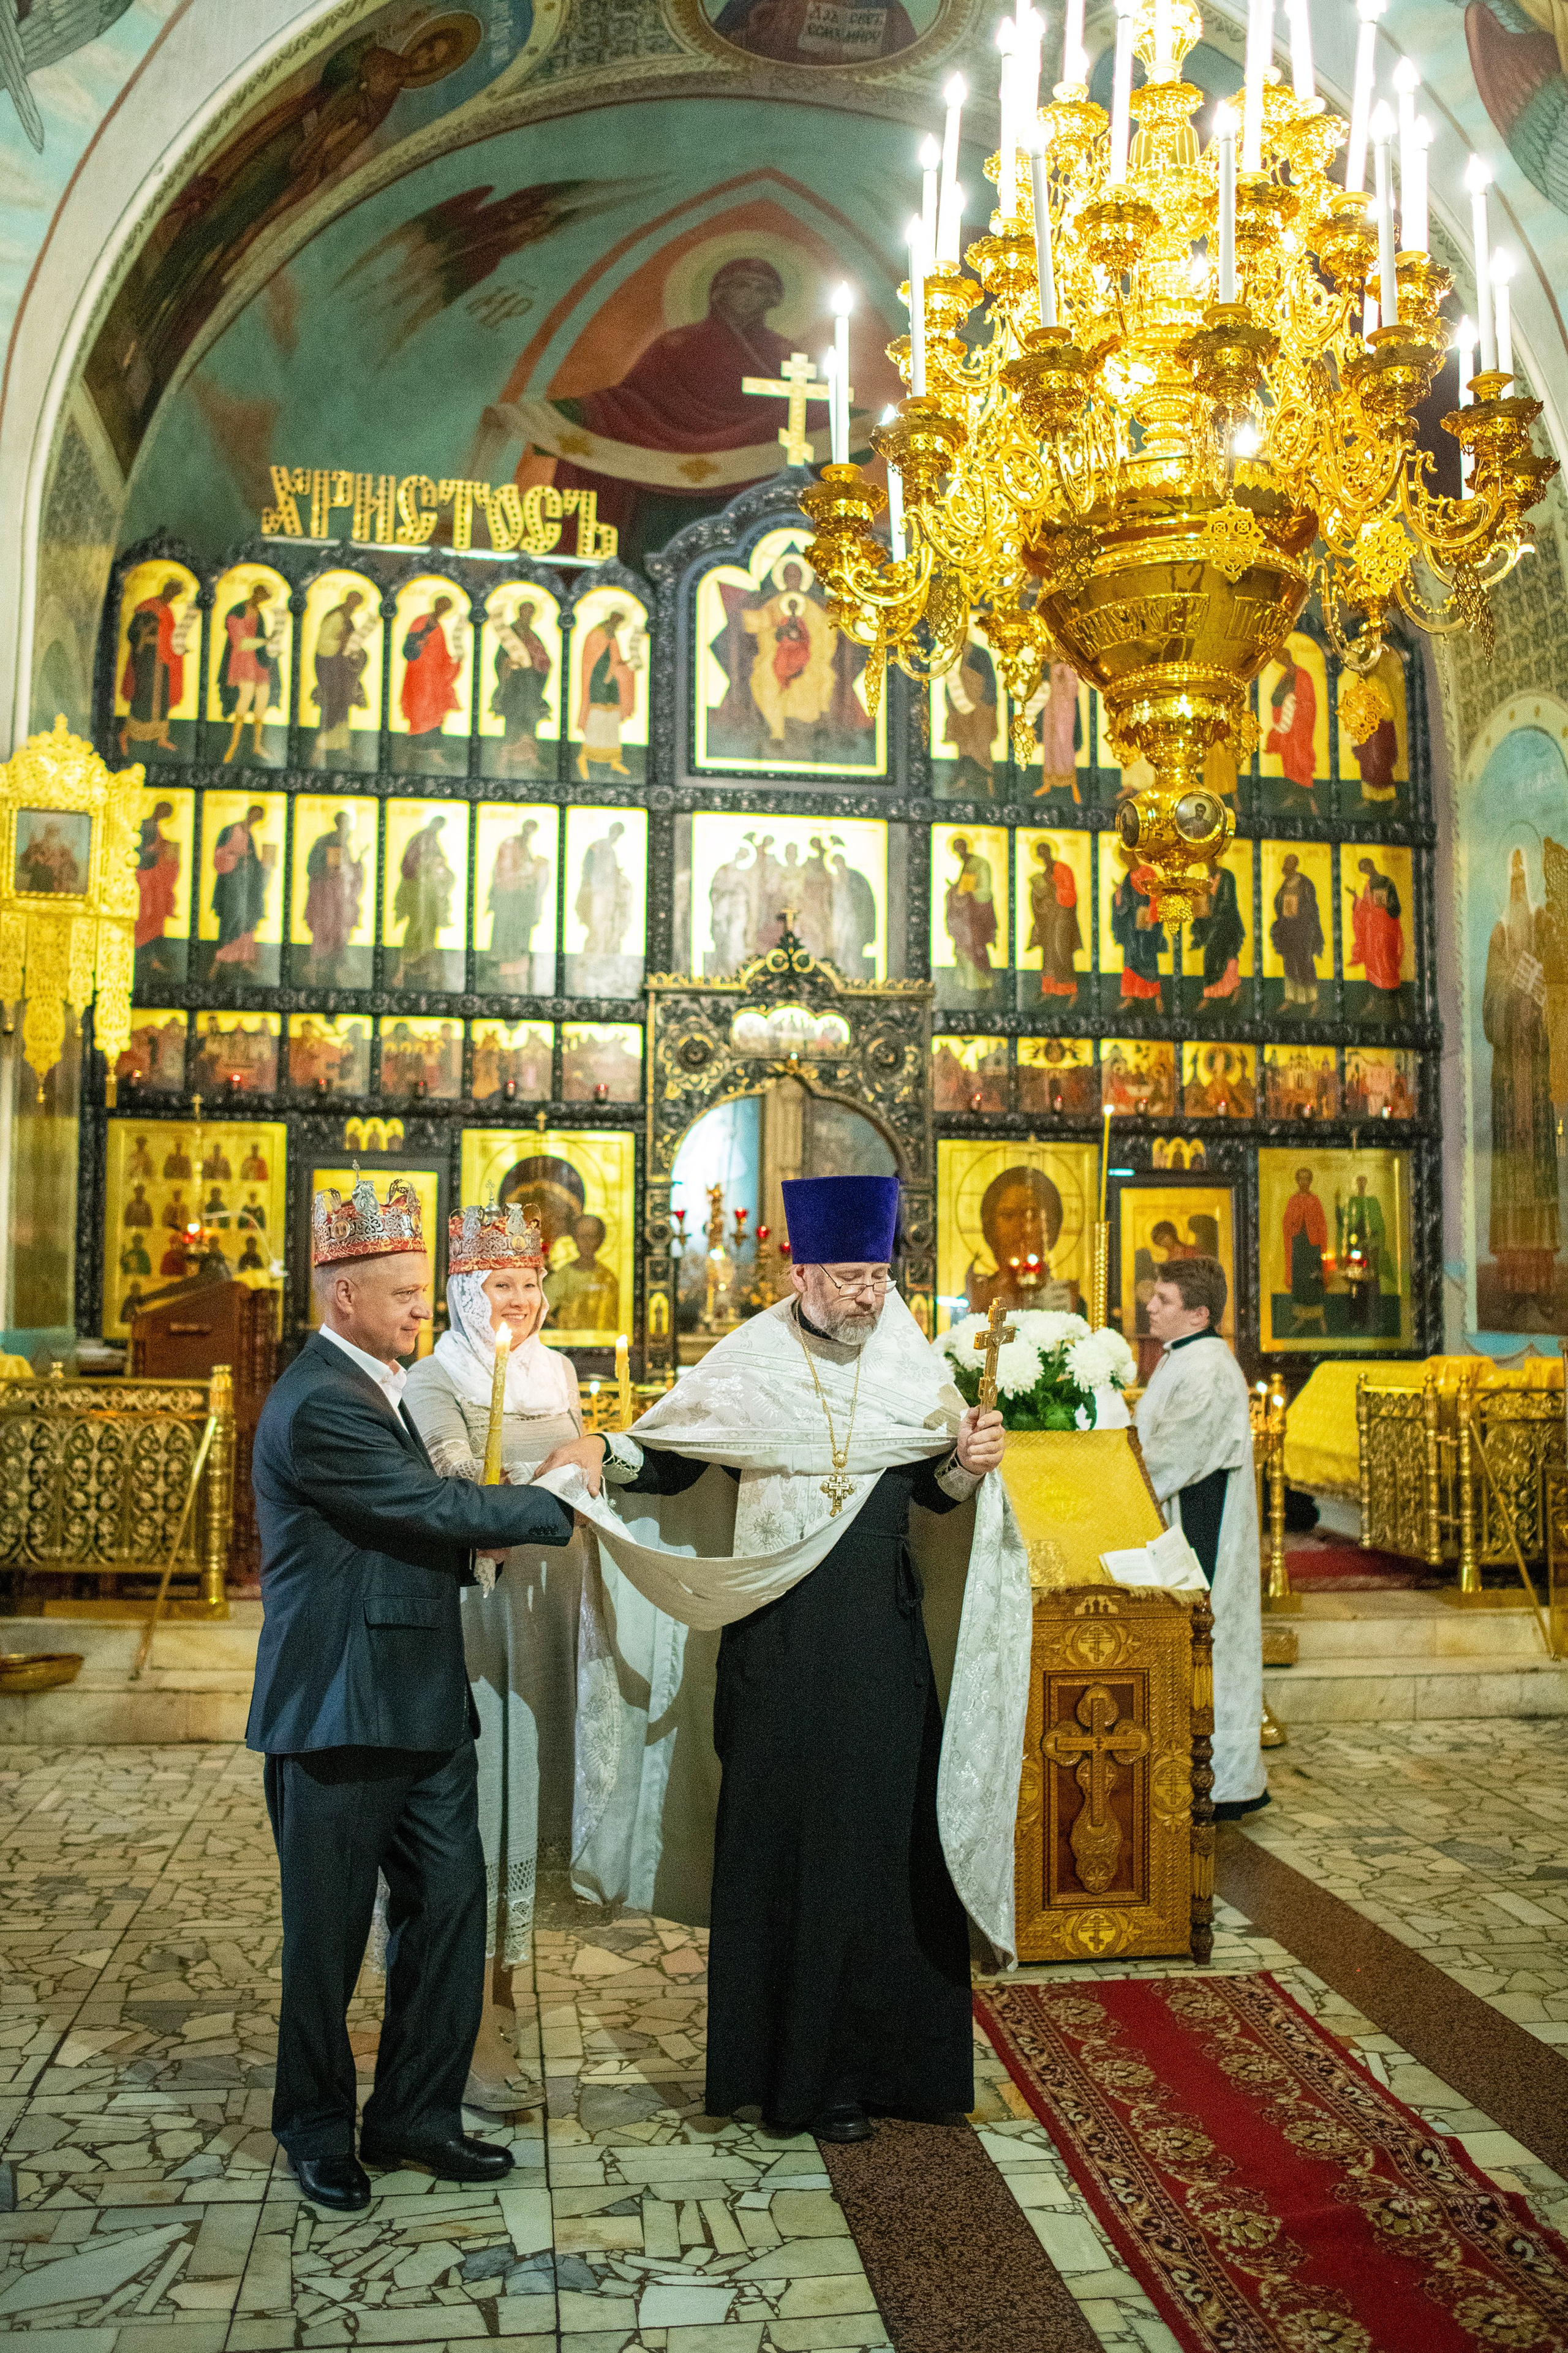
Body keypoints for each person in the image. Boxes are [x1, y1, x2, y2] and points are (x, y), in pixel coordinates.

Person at [534, 1173, 1024, 2142]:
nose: (870, 1296)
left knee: (881, 1854)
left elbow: (928, 1496)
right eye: (849, 1277)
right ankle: (787, 2073)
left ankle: (884, 2070)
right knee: (783, 1852)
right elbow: (675, 1454)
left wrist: (964, 1466)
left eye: (880, 1275)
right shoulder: (750, 1359)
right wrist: (602, 1451)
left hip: (883, 1648)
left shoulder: (906, 1358)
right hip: (777, 1646)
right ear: (802, 1273)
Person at [246, 1176, 577, 2214]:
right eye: (400, 1294)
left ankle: (414, 2116)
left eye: (420, 1293)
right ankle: (315, 2127)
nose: (419, 1312)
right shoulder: (318, 1404)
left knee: (450, 1909)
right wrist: (560, 1490)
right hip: (341, 1707)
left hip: (425, 1701)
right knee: (329, 1936)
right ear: (340, 1294)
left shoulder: (376, 1384)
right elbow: (427, 1504)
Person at [403, 1204, 598, 2109]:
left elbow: (583, 1468)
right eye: (500, 1286)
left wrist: (587, 1460)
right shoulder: (433, 1378)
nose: (518, 1300)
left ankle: (507, 1997)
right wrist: (531, 1493)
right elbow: (452, 1482)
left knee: (530, 1798)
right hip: (477, 1619)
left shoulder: (556, 1371)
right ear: (463, 1295)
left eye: (529, 1283)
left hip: (548, 1619)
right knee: (479, 1806)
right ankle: (469, 2024)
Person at [1135, 1258, 1265, 1819]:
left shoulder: (1209, 1368)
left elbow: (1172, 1457)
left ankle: (1216, 1778)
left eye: (1164, 1299)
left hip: (1198, 1530)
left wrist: (1119, 1474)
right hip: (1181, 1520)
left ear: (1199, 1313)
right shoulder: (1183, 1357)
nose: (1151, 1306)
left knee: (1204, 1644)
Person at [1482, 846, 1559, 1323]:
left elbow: (1559, 991)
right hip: (1510, 1084)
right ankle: (1514, 1286)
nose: (1517, 888)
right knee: (1512, 1183)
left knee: (1539, 1181)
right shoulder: (1499, 935)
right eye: (1511, 882)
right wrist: (1512, 997)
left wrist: (1541, 999)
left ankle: (1543, 1285)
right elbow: (1490, 1010)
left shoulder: (1545, 928)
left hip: (1538, 1083)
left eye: (1522, 880)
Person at [118, 577, 189, 755]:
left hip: (163, 663)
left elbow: (170, 636)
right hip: (146, 662)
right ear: (166, 589)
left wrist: (177, 645)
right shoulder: (146, 608)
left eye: (176, 594)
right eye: (172, 592)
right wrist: (145, 636)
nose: (173, 597)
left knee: (162, 696)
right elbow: (132, 634)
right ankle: (126, 735)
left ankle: (161, 738)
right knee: (143, 694)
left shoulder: (167, 611)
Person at [303, 810, 365, 984]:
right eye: (345, 822)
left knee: (340, 928)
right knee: (324, 926)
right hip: (326, 894)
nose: (347, 827)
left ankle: (337, 968)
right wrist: (329, 870)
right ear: (339, 823)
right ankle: (314, 966)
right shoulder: (325, 841)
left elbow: (346, 869)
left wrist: (358, 864)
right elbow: (313, 867)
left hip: (341, 895)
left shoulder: (344, 843)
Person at [211, 803, 274, 972]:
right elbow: (218, 854)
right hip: (232, 884)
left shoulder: (250, 835)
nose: (255, 819)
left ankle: (244, 959)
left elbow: (253, 861)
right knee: (232, 917)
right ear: (249, 813)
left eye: (259, 817)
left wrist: (266, 866)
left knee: (247, 918)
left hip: (248, 885)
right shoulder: (230, 830)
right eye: (255, 815)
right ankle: (219, 960)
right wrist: (238, 857)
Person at [491, 599, 552, 773]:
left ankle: (532, 760)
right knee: (514, 722)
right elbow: (500, 659)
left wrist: (540, 665)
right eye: (526, 612)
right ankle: (502, 763)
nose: (529, 616)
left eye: (531, 613)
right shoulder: (510, 634)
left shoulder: (533, 636)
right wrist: (507, 663)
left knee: (530, 721)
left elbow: (544, 659)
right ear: (520, 613)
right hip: (515, 687)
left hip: (532, 686)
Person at [219, 581, 277, 763]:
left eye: (265, 598)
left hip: (258, 659)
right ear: (255, 593)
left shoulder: (259, 613)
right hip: (242, 659)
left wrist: (269, 644)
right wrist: (266, 641)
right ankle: (233, 745)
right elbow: (241, 643)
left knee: (263, 698)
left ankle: (257, 745)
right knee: (246, 697)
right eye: (261, 595)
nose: (262, 600)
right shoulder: (236, 612)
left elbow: (260, 637)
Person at [488, 817, 551, 986]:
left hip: (520, 897)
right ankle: (508, 965)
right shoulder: (511, 844)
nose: (530, 833)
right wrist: (532, 869)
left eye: (533, 830)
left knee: (518, 933)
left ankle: (516, 964)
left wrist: (536, 868)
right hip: (508, 896)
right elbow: (506, 871)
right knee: (507, 934)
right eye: (529, 829)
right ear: (524, 828)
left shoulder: (524, 846)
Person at [393, 814, 454, 986]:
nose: (438, 828)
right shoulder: (421, 838)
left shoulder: (432, 840)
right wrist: (431, 864)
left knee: (428, 929)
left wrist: (440, 867)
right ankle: (402, 970)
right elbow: (410, 864)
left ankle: (426, 967)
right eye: (437, 825)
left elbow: (440, 866)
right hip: (418, 893)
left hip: (430, 895)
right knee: (416, 927)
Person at [576, 610, 636, 778]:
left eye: (619, 623)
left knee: (612, 718)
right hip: (597, 681)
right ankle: (584, 756)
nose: (616, 625)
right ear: (610, 619)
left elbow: (615, 659)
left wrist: (625, 665)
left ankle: (614, 759)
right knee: (596, 716)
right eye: (615, 621)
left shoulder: (613, 638)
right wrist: (608, 673)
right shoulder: (596, 634)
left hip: (611, 683)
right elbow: (592, 660)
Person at [311, 589, 371, 758]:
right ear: (347, 600)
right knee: (332, 702)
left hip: (342, 669)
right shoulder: (335, 617)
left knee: (344, 704)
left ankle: (342, 746)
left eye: (358, 603)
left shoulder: (347, 619)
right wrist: (341, 640)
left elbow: (349, 642)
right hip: (330, 667)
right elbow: (323, 643)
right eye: (353, 601)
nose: (355, 605)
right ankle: (318, 750)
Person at [400, 595, 464, 744]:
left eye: (447, 608)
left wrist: (453, 661)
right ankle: (417, 742)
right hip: (419, 673)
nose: (443, 609)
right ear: (436, 604)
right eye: (442, 605)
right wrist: (421, 640)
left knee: (436, 707)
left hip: (435, 675)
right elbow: (409, 648)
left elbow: (442, 653)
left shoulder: (440, 627)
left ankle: (433, 746)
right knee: (420, 705)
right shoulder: (421, 621)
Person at [1348, 856, 1406, 1017]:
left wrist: (1387, 904)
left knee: (1389, 965)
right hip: (1372, 932)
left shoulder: (1388, 883)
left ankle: (1399, 1002)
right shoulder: (1367, 886)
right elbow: (1365, 908)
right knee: (1373, 965)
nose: (1366, 871)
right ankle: (1373, 1001)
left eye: (1366, 867)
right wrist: (1356, 900)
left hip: (1387, 930)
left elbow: (1397, 908)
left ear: (1372, 865)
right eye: (1362, 869)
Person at [1027, 839, 1081, 1000]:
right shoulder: (1042, 875)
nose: (1043, 857)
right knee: (1049, 953)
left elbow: (1071, 896)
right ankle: (1048, 990)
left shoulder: (1063, 869)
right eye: (1040, 854)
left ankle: (1071, 990)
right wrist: (1039, 898)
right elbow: (1037, 899)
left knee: (1061, 950)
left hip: (1063, 918)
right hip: (1048, 919)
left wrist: (1055, 887)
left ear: (1050, 852)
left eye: (1045, 852)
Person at [543, 1212, 619, 1329]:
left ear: (601, 1240)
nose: (587, 1242)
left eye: (593, 1236)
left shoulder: (608, 1278)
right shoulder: (563, 1275)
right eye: (582, 1236)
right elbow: (544, 1307)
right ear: (574, 1239)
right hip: (568, 1339)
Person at [1270, 853, 1324, 1014]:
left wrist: (1298, 911)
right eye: (1285, 862)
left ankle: (1314, 1001)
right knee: (1289, 963)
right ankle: (1291, 998)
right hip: (1288, 928)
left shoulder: (1305, 883)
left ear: (1295, 865)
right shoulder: (1286, 883)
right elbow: (1278, 902)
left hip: (1303, 929)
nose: (1286, 866)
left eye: (1289, 863)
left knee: (1305, 963)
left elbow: (1312, 907)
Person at [944, 835, 997, 997]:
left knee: (976, 946)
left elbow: (983, 890)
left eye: (961, 848)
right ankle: (966, 984)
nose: (959, 852)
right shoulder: (967, 865)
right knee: (964, 947)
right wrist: (955, 889)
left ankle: (982, 985)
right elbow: (963, 889)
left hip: (977, 914)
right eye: (956, 849)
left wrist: (963, 890)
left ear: (966, 847)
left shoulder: (978, 863)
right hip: (965, 916)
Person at [1263, 649, 1316, 805]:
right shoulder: (1285, 675)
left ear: (1288, 657)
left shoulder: (1302, 675)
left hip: (1299, 729)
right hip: (1286, 729)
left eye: (1280, 658)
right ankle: (1294, 797)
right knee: (1289, 761)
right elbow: (1277, 698)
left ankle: (1310, 800)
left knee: (1301, 759)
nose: (1279, 661)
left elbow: (1307, 703)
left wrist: (1291, 707)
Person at [1109, 864, 1166, 1007]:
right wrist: (1118, 896)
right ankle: (1130, 997)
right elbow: (1124, 905)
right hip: (1131, 929)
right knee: (1130, 961)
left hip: (1146, 926)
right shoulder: (1128, 877)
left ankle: (1157, 997)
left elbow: (1156, 896)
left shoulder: (1148, 872)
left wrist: (1152, 915)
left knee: (1147, 958)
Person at [1189, 861, 1245, 1005]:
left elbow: (1227, 902)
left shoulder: (1227, 876)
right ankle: (1209, 995)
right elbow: (1202, 901)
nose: (1208, 865)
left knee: (1228, 957)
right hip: (1212, 925)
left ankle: (1234, 989)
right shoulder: (1207, 878)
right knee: (1211, 957)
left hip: (1228, 925)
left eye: (1211, 861)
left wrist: (1209, 910)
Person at [1282, 1165, 1328, 1337]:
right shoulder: (1293, 1200)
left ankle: (1319, 1318)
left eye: (1306, 1178)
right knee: (1300, 1279)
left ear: (1310, 1181)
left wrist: (1319, 1241)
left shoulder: (1315, 1200)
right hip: (1298, 1244)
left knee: (1314, 1279)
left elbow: (1322, 1224)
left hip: (1313, 1246)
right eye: (1300, 1178)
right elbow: (1286, 1222)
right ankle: (1300, 1318)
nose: (1304, 1182)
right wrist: (1294, 1226)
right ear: (1297, 1180)